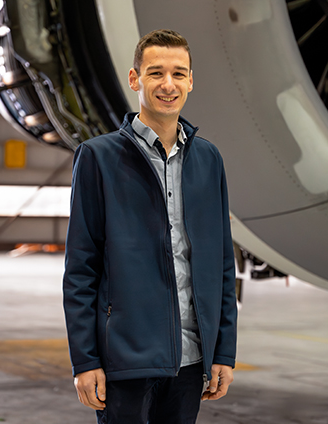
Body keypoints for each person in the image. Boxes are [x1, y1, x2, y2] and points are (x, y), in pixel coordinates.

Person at [63, 29, 238, 424]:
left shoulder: (209, 160)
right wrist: (85, 360)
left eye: (179, 74)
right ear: (134, 78)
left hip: (192, 362)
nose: (168, 84)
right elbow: (80, 270)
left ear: (191, 81)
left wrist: (223, 351)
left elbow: (220, 264)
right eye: (156, 73)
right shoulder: (98, 158)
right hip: (125, 361)